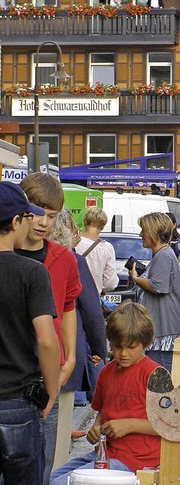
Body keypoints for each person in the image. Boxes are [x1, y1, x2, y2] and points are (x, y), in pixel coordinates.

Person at [50, 302, 161, 484]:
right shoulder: (106, 372)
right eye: (117, 346)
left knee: (61, 483)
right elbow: (103, 411)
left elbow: (170, 426)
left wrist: (129, 425)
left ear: (145, 343)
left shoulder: (154, 374)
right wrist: (95, 428)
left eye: (131, 347)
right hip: (107, 453)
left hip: (137, 461)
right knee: (50, 478)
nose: (123, 353)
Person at [18, 173, 82, 483]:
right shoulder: (7, 254)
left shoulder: (64, 258)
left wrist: (70, 356)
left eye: (52, 216)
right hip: (12, 367)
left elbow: (68, 306)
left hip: (49, 371)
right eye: (37, 213)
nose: (44, 222)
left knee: (41, 460)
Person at [0, 182, 59, 485]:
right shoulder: (31, 273)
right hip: (16, 402)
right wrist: (51, 391)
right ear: (15, 222)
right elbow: (47, 340)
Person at [49, 211, 108, 464]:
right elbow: (91, 309)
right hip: (64, 353)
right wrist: (99, 348)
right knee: (58, 435)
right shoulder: (70, 260)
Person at [129, 212, 180, 371]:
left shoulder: (164, 255)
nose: (141, 235)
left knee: (160, 381)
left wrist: (136, 278)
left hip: (164, 328)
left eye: (143, 231)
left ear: (153, 232)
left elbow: (158, 286)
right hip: (161, 326)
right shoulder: (163, 254)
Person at [75, 206, 119, 296]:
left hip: (74, 294)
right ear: (102, 226)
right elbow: (111, 283)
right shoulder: (107, 248)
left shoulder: (75, 242)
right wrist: (102, 287)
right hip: (93, 296)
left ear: (84, 222)